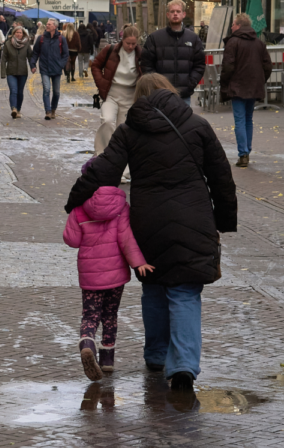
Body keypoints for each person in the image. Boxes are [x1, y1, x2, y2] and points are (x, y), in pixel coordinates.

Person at [66, 73, 237, 392]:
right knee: (185, 291)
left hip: (148, 224)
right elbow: (221, 178)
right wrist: (223, 221)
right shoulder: (198, 125)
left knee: (155, 287)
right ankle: (184, 364)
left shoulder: (130, 131)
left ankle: (157, 355)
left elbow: (106, 171)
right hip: (194, 220)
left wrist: (77, 200)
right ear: (171, 92)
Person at [64, 178, 155, 381]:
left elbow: (73, 240)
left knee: (90, 315)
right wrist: (138, 263)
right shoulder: (122, 207)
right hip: (116, 275)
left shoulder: (79, 209)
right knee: (110, 315)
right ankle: (107, 361)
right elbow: (126, 238)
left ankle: (87, 345)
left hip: (90, 274)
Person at [219, 13, 272, 168]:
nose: (231, 27)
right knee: (248, 119)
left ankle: (243, 154)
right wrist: (261, 80)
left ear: (239, 25)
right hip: (254, 86)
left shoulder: (233, 42)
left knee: (240, 120)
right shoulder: (259, 43)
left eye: (233, 24)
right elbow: (268, 65)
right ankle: (246, 150)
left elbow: (227, 66)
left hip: (237, 86)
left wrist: (225, 84)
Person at [139, 0, 205, 107]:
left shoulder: (193, 39)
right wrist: (156, 85)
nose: (175, 14)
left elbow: (200, 64)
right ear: (167, 15)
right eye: (172, 11)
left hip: (184, 95)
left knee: (183, 123)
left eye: (178, 11)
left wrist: (190, 84)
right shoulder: (155, 38)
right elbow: (147, 64)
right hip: (160, 95)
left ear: (183, 14)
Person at [90, 25, 141, 166]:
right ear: (122, 40)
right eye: (128, 43)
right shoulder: (110, 50)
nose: (130, 46)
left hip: (130, 96)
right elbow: (95, 66)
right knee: (107, 121)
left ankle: (121, 166)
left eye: (133, 44)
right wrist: (101, 84)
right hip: (111, 93)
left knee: (123, 132)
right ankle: (102, 155)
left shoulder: (141, 54)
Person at [30, 18, 69, 120]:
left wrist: (61, 64)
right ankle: (47, 111)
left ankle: (53, 110)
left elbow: (65, 54)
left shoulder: (61, 39)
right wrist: (33, 65)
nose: (47, 26)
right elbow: (35, 53)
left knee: (56, 92)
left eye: (49, 24)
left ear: (55, 26)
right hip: (45, 68)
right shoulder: (41, 39)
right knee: (46, 89)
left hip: (56, 69)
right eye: (47, 24)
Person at [1, 25, 33, 118]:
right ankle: (13, 109)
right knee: (13, 90)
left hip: (23, 72)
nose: (19, 34)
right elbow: (3, 59)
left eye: (20, 32)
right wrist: (3, 73)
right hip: (11, 71)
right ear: (14, 33)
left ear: (23, 34)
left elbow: (30, 56)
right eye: (17, 32)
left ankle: (18, 109)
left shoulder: (26, 44)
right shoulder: (8, 44)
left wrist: (32, 66)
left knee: (20, 92)